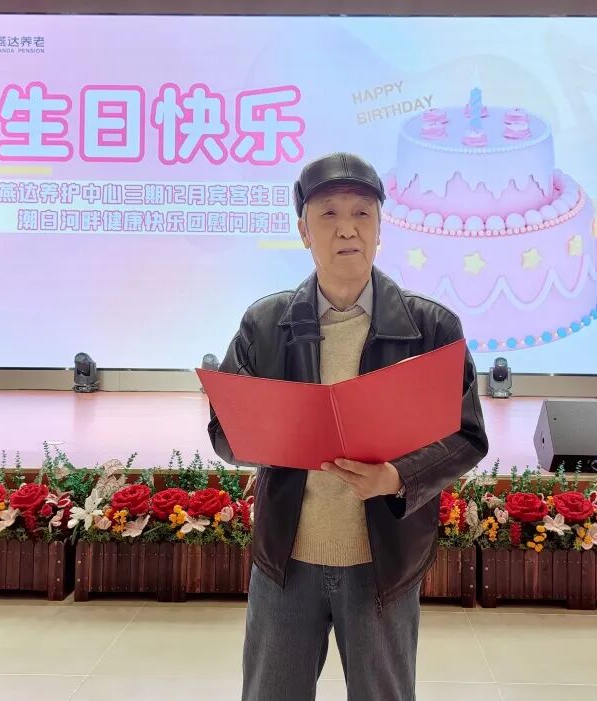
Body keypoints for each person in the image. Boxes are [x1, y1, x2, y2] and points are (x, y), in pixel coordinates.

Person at [208, 152, 489, 701]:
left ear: (380, 229)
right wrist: (264, 431)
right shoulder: (265, 325)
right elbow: (224, 434)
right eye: (329, 214)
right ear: (303, 231)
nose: (346, 229)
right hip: (286, 561)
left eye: (362, 214)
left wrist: (396, 477)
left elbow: (467, 437)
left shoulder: (431, 327)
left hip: (382, 564)